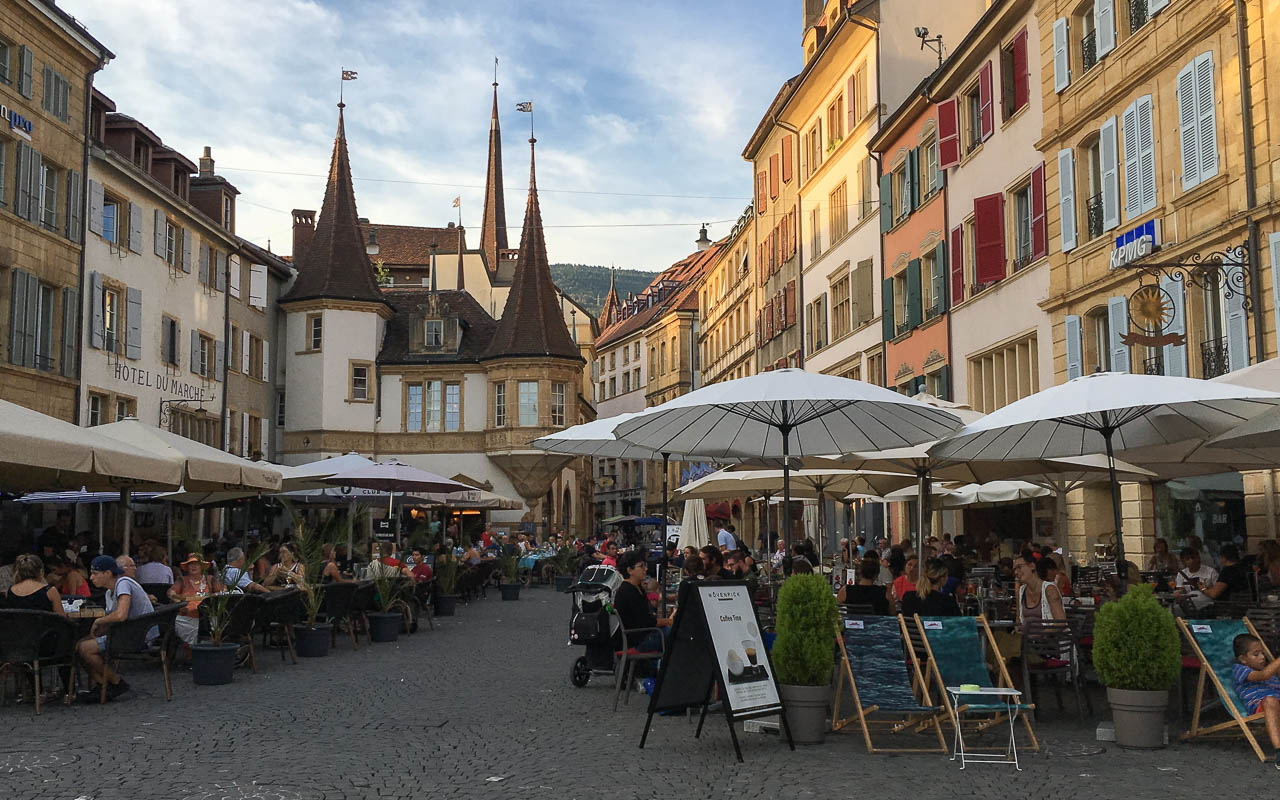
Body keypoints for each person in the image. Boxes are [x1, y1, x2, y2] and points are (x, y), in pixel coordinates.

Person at [77, 555, 157, 702]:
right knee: (78, 647)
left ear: (107, 573)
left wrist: (98, 621)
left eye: (95, 573)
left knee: (85, 649)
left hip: (138, 636)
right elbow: (112, 619)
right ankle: (104, 686)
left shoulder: (123, 583)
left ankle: (117, 682)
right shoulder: (109, 592)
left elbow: (121, 615)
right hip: (125, 633)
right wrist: (99, 630)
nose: (91, 577)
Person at [1232, 633, 1280, 768]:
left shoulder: (1269, 669)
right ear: (1243, 659)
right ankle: (1279, 751)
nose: (1262, 657)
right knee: (1270, 700)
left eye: (1263, 653)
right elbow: (1263, 676)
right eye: (1256, 654)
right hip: (1261, 707)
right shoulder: (1240, 670)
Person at [614, 551, 673, 654]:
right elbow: (646, 622)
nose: (645, 569)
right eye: (641, 566)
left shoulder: (637, 587)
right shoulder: (627, 591)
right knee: (674, 633)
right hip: (637, 640)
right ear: (630, 570)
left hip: (644, 634)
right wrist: (668, 621)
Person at [168, 553, 219, 647]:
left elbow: (223, 591)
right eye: (191, 564)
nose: (194, 566)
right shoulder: (182, 580)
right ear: (187, 567)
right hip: (187, 617)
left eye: (197, 564)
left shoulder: (210, 579)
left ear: (202, 566)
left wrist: (212, 597)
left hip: (209, 618)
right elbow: (171, 592)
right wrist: (179, 601)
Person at [1014, 552, 1065, 627]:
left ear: (1032, 566)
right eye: (1014, 569)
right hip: (1027, 636)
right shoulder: (1021, 591)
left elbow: (1061, 623)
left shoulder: (1049, 589)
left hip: (1050, 637)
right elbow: (1018, 619)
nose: (1016, 572)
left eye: (1019, 567)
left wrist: (1039, 635)